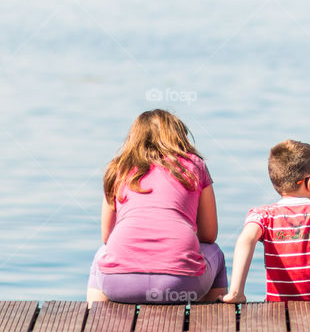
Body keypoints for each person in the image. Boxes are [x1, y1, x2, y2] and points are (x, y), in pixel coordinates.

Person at [86, 109, 228, 305]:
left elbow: (107, 236)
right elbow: (209, 235)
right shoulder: (195, 165)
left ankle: (96, 318)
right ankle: (210, 321)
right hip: (180, 285)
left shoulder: (119, 168)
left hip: (118, 284)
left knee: (101, 254)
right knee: (216, 253)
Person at [223, 139, 310, 303]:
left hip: (278, 313)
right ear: (309, 182)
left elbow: (247, 238)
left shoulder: (263, 215)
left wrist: (236, 292)